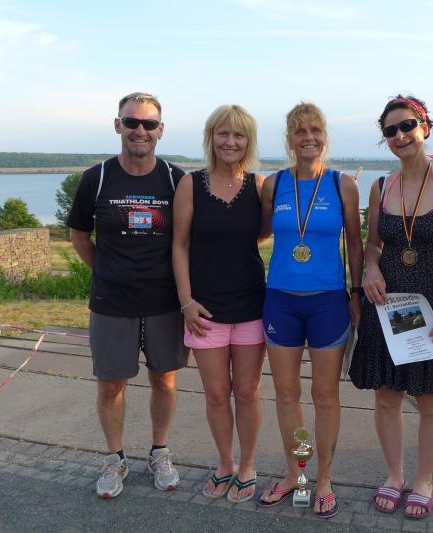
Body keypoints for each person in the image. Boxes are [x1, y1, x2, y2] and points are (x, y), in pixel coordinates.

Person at [349, 96, 433, 519]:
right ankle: (395, 475)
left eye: (407, 126)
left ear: (425, 128)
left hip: (432, 306)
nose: (400, 135)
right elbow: (373, 245)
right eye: (390, 130)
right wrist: (370, 270)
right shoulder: (381, 187)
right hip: (388, 304)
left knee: (431, 398)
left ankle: (424, 480)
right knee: (387, 395)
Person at [67, 92, 187, 498]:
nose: (140, 130)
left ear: (160, 130)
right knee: (110, 385)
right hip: (112, 302)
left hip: (165, 301)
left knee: (165, 380)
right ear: (117, 124)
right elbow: (79, 235)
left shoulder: (175, 179)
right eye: (132, 122)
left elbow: (190, 238)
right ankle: (114, 458)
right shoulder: (97, 177)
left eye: (149, 124)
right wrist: (105, 272)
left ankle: (160, 452)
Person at [256, 102, 363, 519]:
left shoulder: (341, 185)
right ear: (289, 139)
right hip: (280, 302)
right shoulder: (274, 184)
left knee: (325, 395)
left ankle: (324, 480)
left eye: (315, 130)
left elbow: (354, 242)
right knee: (287, 395)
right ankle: (296, 473)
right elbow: (259, 233)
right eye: (300, 131)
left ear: (325, 136)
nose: (308, 138)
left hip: (327, 303)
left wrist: (356, 293)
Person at [172, 105, 267, 503]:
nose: (230, 142)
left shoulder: (260, 186)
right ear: (211, 138)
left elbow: (263, 234)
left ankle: (248, 465)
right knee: (215, 394)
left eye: (238, 135)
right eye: (223, 134)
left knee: (246, 392)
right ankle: (225, 463)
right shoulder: (190, 184)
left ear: (249, 141)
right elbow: (179, 245)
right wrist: (186, 301)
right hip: (204, 310)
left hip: (251, 306)